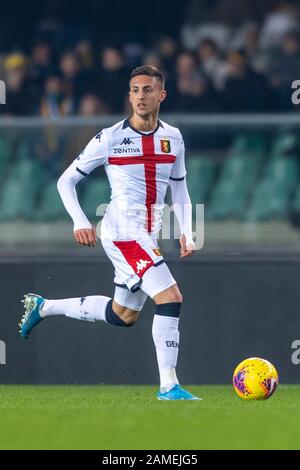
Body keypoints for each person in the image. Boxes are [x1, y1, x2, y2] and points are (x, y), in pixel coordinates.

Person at [19, 65, 200, 401]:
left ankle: (43, 307)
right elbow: (66, 180)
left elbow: (181, 189)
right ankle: (169, 387)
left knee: (124, 315)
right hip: (122, 229)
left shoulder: (173, 137)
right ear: (129, 95)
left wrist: (186, 232)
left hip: (146, 233)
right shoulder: (110, 137)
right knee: (171, 297)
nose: (140, 96)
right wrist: (79, 221)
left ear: (162, 95)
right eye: (134, 90)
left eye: (147, 90)